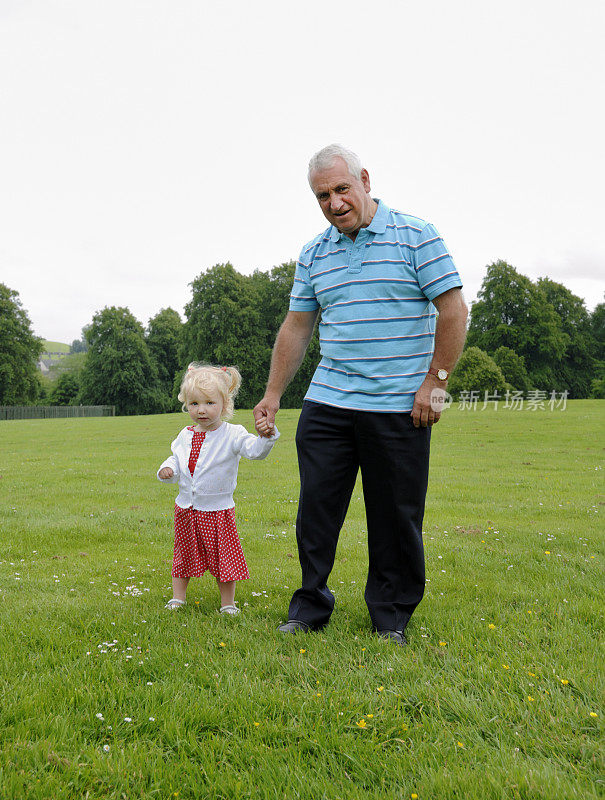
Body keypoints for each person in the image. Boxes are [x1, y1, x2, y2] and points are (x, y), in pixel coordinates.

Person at [254, 144, 468, 645]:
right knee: (316, 511)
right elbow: (297, 326)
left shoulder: (416, 235)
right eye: (322, 195)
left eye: (341, 189)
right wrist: (272, 393)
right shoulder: (314, 252)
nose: (334, 203)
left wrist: (434, 382)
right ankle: (309, 607)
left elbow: (453, 311)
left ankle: (390, 616)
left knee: (396, 516)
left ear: (365, 180)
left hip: (399, 406)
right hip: (328, 403)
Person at [158, 363, 279, 614]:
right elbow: (176, 460)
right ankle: (178, 598)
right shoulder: (184, 435)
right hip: (186, 510)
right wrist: (167, 470)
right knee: (183, 555)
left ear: (224, 404)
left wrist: (265, 437)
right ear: (186, 405)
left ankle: (228, 604)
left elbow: (254, 452)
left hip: (217, 511)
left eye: (209, 403)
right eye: (194, 404)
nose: (201, 410)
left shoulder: (233, 434)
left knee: (224, 558)